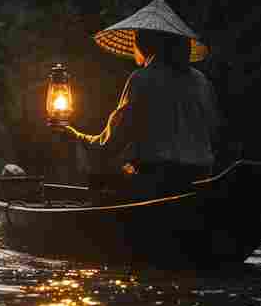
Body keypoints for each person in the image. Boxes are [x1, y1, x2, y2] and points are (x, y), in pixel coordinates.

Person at [51, 26, 221, 187]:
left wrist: (75, 135)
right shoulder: (201, 81)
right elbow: (213, 133)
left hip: (160, 179)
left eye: (135, 43)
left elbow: (110, 143)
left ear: (145, 46)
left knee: (102, 179)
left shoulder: (142, 79)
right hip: (202, 177)